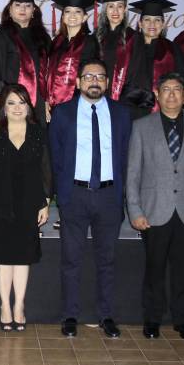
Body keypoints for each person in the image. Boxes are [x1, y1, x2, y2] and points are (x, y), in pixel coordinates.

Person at [127, 72, 184, 340]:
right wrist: (135, 210)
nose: (171, 94)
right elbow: (133, 173)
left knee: (183, 269)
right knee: (154, 268)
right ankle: (152, 319)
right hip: (154, 209)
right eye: (166, 89)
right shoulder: (141, 127)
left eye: (177, 89)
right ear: (157, 94)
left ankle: (182, 319)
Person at [49, 58, 132, 338]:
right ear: (78, 82)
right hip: (75, 195)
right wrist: (62, 194)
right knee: (71, 259)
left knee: (107, 260)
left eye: (100, 76)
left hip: (109, 195)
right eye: (88, 77)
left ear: (107, 82)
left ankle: (106, 315)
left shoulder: (122, 114)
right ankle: (70, 315)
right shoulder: (63, 113)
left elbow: (126, 156)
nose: (94, 81)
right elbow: (55, 156)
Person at [0, 84, 51, 330]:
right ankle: (4, 306)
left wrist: (45, 202)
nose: (17, 108)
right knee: (3, 257)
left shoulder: (39, 133)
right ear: (3, 108)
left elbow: (46, 170)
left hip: (29, 204)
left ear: (28, 106)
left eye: (22, 102)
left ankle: (19, 305)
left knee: (23, 257)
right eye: (11, 103)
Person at [0, 0, 52, 123]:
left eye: (28, 5)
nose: (23, 9)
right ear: (10, 9)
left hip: (39, 102)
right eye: (17, 5)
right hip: (11, 103)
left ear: (34, 10)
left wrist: (46, 100)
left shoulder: (43, 37)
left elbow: (47, 72)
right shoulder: (0, 36)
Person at [114, 0, 184, 120]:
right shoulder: (127, 47)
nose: (152, 24)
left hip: (162, 109)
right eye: (147, 20)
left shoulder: (172, 49)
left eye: (157, 20)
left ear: (163, 24)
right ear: (140, 24)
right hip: (130, 108)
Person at [44, 0, 100, 121]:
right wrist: (45, 101)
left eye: (78, 11)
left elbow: (90, 77)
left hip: (78, 106)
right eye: (68, 11)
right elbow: (48, 74)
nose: (72, 15)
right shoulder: (56, 42)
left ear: (85, 17)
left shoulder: (89, 42)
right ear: (63, 17)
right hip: (52, 106)